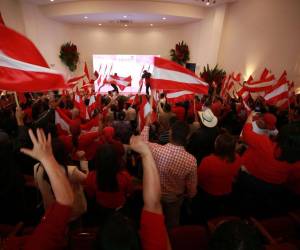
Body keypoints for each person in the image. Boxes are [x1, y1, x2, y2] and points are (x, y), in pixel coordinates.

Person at [141, 116, 197, 228]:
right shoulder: (191, 160)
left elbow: (142, 143)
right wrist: (189, 197)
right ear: (187, 137)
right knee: (172, 224)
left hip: (154, 194)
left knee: (155, 222)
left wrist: (146, 124)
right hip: (174, 199)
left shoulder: (156, 149)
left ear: (170, 133)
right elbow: (192, 190)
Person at [34, 138, 87, 222]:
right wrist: (83, 160)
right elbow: (86, 179)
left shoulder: (36, 167)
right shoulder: (71, 171)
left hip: (51, 212)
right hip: (72, 213)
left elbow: (38, 185)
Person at [193, 133, 242, 220]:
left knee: (208, 214)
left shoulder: (208, 161)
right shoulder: (238, 158)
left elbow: (199, 178)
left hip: (209, 192)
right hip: (227, 190)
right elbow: (236, 174)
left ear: (217, 146)